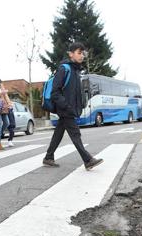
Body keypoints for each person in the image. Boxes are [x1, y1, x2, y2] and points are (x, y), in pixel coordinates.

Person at [43, 42, 103, 170]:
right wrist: (66, 106)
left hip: (69, 108)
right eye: (79, 53)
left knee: (58, 133)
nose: (82, 56)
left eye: (83, 53)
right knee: (75, 134)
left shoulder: (75, 70)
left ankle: (48, 157)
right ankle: (87, 160)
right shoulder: (64, 69)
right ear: (71, 54)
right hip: (65, 109)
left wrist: (79, 105)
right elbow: (55, 92)